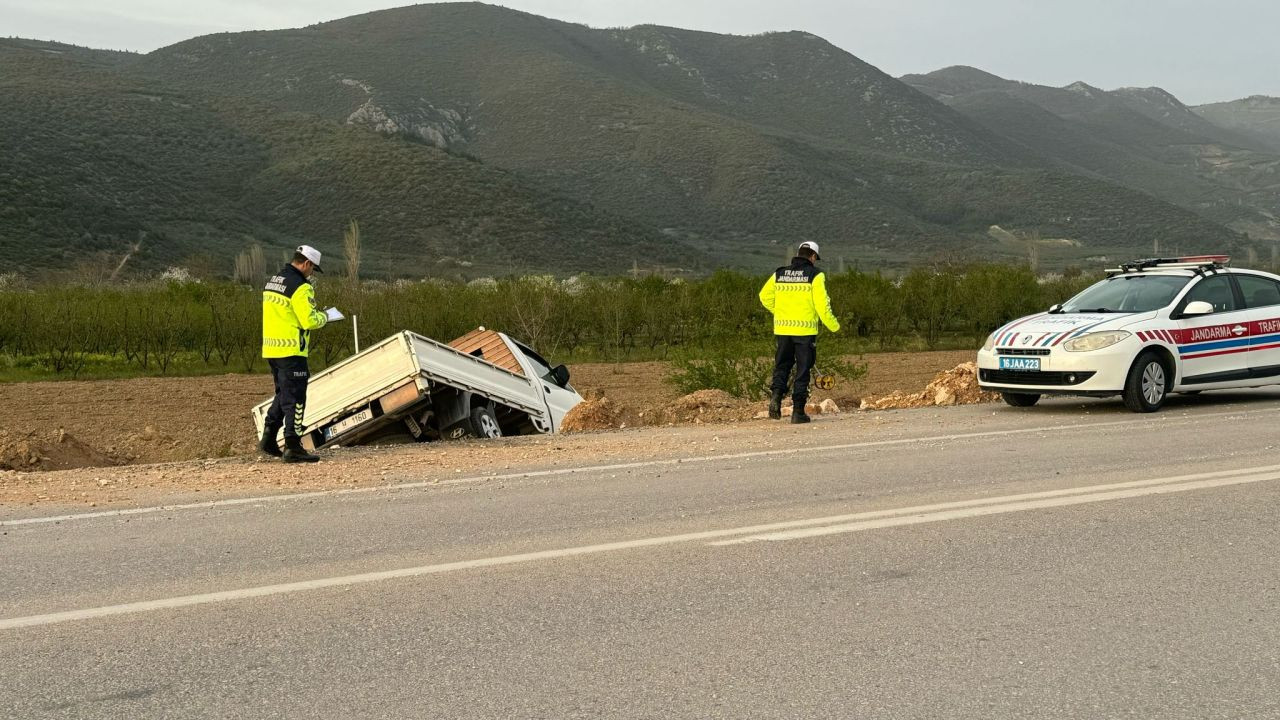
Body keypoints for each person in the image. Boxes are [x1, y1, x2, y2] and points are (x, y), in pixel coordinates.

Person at [259, 245, 329, 463]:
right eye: (313, 269)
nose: (311, 274)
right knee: (296, 399)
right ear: (307, 264)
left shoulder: (274, 281)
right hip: (292, 350)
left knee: (282, 394)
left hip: (272, 348)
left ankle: (269, 439)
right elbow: (308, 320)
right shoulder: (301, 287)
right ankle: (293, 446)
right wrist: (325, 317)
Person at [758, 241, 840, 424]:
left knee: (782, 366)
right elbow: (822, 305)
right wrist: (834, 326)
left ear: (798, 254)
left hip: (782, 329)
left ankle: (776, 398)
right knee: (803, 370)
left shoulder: (779, 273)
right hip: (805, 331)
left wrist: (780, 312)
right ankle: (798, 412)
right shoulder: (815, 275)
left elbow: (764, 296)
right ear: (812, 257)